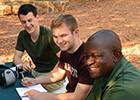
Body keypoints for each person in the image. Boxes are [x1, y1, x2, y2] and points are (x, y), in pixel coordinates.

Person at [21, 13, 95, 100]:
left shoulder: (87, 59)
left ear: (76, 33)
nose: (59, 41)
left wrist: (42, 96)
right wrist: (36, 81)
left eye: (63, 35)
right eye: (55, 36)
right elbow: (59, 74)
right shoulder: (65, 50)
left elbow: (78, 97)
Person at [13, 4, 64, 92]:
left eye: (30, 20)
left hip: (52, 76)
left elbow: (64, 58)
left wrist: (52, 74)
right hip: (36, 72)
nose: (28, 25)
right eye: (24, 22)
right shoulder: (22, 35)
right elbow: (16, 58)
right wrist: (21, 64)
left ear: (37, 17)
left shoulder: (48, 34)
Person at [84, 30, 140, 100]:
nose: (88, 62)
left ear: (116, 56)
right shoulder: (104, 72)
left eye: (96, 56)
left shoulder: (123, 90)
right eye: (86, 56)